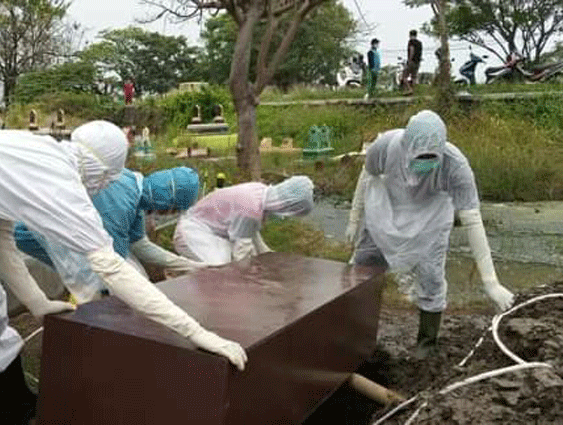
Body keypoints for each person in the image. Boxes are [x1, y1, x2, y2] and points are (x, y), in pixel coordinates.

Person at [0, 121, 246, 425]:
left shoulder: (40, 154)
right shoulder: (58, 176)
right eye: (110, 178)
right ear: (104, 170)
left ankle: (17, 413)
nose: (107, 186)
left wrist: (38, 303)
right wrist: (199, 333)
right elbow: (112, 266)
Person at [345, 110, 515, 359]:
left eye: (430, 156)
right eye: (419, 155)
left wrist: (491, 282)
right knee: (363, 267)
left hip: (431, 217)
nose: (424, 161)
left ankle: (426, 345)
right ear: (406, 146)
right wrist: (354, 217)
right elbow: (367, 175)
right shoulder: (386, 146)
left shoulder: (454, 165)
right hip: (387, 209)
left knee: (432, 276)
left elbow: (472, 220)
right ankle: (354, 335)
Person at [14, 166, 205, 302]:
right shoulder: (120, 204)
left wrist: (189, 265)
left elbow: (140, 246)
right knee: (96, 288)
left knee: (117, 283)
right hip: (42, 229)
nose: (166, 215)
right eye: (172, 210)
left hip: (69, 232)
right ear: (166, 199)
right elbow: (113, 265)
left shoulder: (135, 191)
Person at [174, 176, 314, 265]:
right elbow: (242, 253)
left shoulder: (260, 190)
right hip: (192, 232)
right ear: (288, 206)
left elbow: (249, 232)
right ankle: (181, 276)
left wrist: (268, 255)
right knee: (220, 269)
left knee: (242, 260)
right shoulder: (251, 209)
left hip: (214, 231)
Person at [401, 30, 423, 94]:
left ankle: (409, 89)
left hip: (412, 61)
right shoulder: (420, 43)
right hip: (418, 62)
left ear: (410, 35)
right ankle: (413, 90)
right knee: (414, 77)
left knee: (404, 76)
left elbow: (411, 50)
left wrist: (409, 60)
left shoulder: (411, 42)